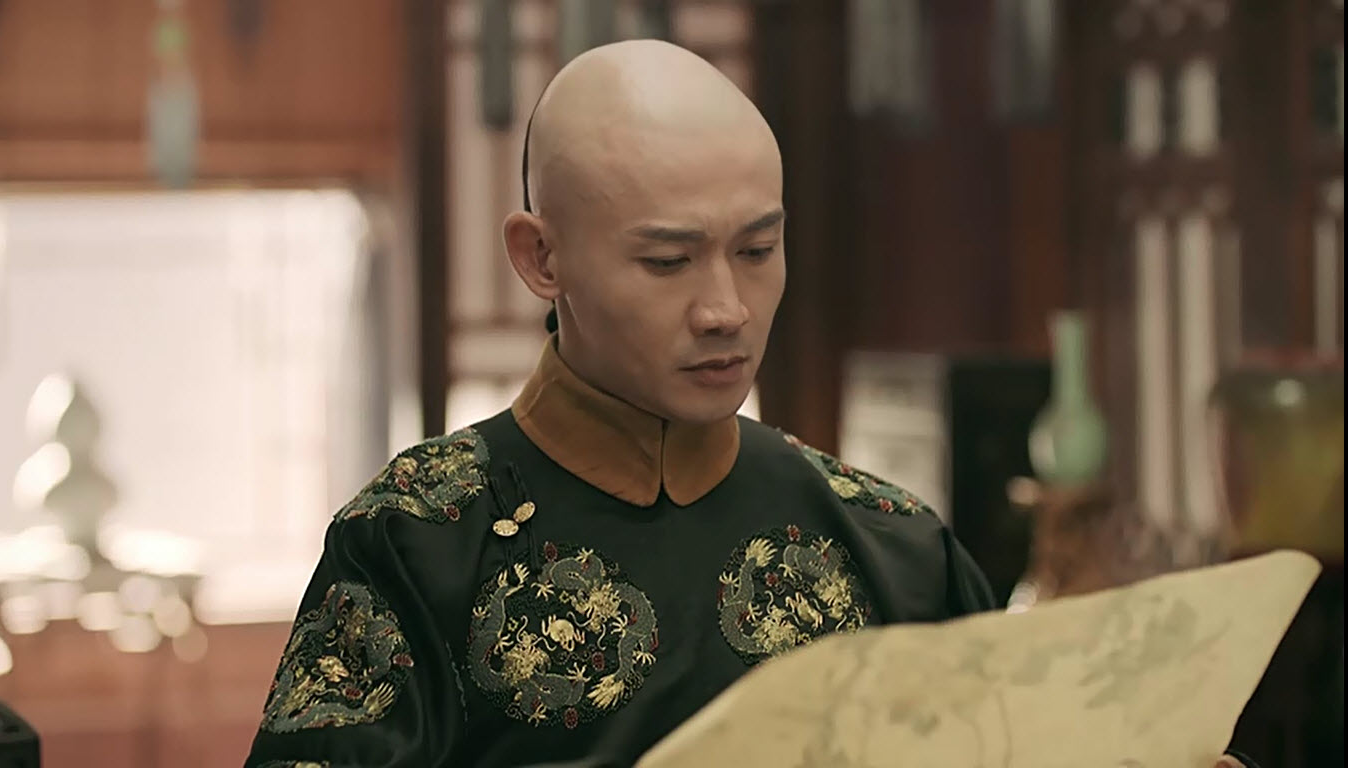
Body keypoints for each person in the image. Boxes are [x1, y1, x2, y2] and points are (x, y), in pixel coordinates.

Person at [244, 40, 1253, 768]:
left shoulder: (884, 539)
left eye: (758, 249)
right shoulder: (419, 537)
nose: (725, 308)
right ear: (541, 257)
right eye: (668, 260)